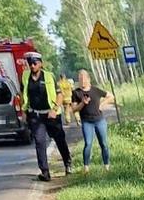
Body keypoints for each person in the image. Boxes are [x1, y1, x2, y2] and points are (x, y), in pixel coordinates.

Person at [21, 52, 72, 182]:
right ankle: (45, 171)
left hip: (51, 115)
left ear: (40, 64)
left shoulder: (49, 77)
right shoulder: (25, 77)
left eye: (34, 63)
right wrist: (24, 112)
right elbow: (23, 94)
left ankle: (67, 163)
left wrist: (55, 109)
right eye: (30, 63)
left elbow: (59, 95)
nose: (32, 66)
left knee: (59, 139)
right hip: (36, 115)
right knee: (39, 142)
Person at [71, 69, 113, 173]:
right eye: (80, 79)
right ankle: (86, 168)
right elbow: (74, 109)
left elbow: (111, 96)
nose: (83, 81)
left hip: (99, 120)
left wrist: (103, 104)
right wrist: (83, 103)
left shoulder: (95, 90)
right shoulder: (76, 93)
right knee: (88, 144)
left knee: (104, 144)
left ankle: (106, 166)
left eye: (84, 78)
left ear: (89, 79)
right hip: (87, 122)